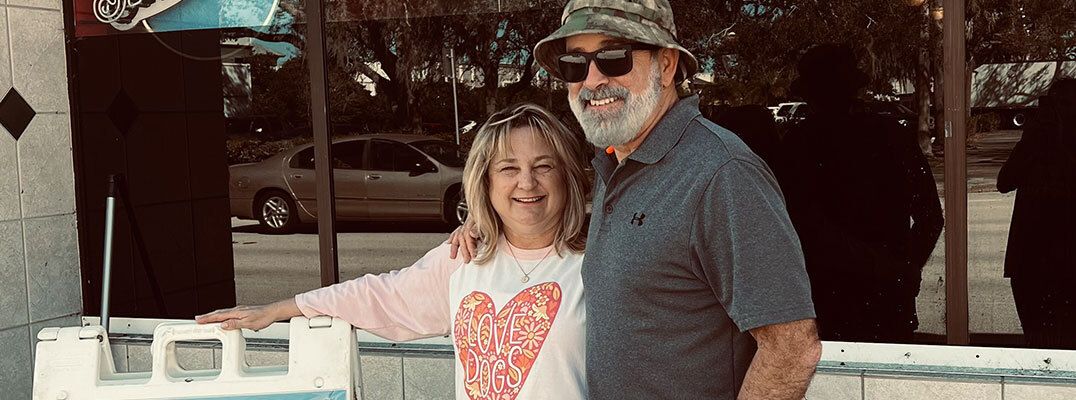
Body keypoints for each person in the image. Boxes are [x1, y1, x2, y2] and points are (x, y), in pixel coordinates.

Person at [451, 1, 821, 398]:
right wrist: (486, 223)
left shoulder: (721, 174)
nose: (592, 80)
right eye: (575, 64)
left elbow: (793, 349)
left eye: (613, 57)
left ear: (665, 64)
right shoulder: (618, 165)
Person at [197, 103, 593, 400]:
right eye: (508, 168)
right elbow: (378, 296)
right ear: (485, 182)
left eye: (544, 166)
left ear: (567, 177)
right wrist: (281, 309)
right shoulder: (464, 260)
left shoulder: (598, 263)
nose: (527, 182)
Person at [775, 44, 944, 343]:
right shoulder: (890, 134)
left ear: (810, 95)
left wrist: (899, 269)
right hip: (875, 293)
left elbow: (805, 227)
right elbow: (930, 216)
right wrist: (903, 269)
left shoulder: (800, 143)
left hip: (832, 295)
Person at [997, 78, 1076, 349]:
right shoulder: (1037, 140)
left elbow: (1005, 181)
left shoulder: (1041, 141)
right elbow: (1004, 181)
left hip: (1037, 259)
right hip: (1037, 260)